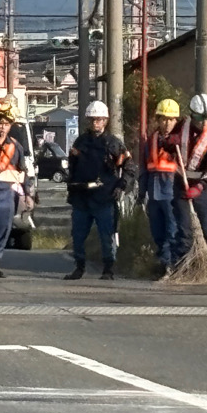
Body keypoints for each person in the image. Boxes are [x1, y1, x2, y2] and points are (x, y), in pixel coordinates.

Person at [65, 100, 135, 281]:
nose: (95, 123)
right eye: (92, 120)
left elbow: (129, 167)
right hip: (82, 198)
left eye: (99, 120)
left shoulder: (114, 144)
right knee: (78, 235)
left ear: (105, 121)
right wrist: (71, 188)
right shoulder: (80, 142)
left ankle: (108, 269)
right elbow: (71, 168)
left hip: (104, 198)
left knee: (107, 235)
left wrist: (122, 186)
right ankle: (79, 267)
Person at [172, 93, 207, 261]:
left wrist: (200, 186)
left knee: (205, 226)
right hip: (182, 183)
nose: (203, 122)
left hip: (205, 187)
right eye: (199, 118)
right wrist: (168, 143)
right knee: (184, 228)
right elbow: (170, 145)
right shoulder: (182, 125)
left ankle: (206, 262)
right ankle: (182, 264)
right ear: (192, 114)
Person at [139, 98, 181, 277]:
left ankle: (169, 266)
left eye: (171, 119)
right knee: (157, 232)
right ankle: (162, 264)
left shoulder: (179, 141)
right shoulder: (151, 141)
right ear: (157, 120)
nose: (167, 123)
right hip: (154, 192)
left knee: (172, 231)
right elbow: (144, 167)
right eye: (163, 119)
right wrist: (141, 193)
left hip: (172, 192)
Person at [0, 101, 26, 278]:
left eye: (6, 124)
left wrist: (29, 194)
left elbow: (23, 171)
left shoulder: (16, 146)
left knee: (3, 227)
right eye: (0, 123)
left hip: (6, 191)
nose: (2, 127)